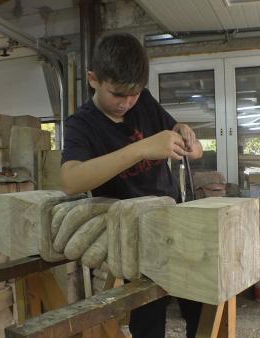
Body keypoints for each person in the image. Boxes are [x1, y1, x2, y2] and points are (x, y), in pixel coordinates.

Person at [60, 32, 203, 338]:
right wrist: (141, 149)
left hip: (172, 222)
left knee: (200, 304)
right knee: (148, 319)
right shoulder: (81, 125)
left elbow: (197, 151)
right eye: (117, 94)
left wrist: (186, 135)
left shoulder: (145, 103)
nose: (126, 103)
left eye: (134, 94)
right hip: (131, 236)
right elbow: (71, 181)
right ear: (93, 80)